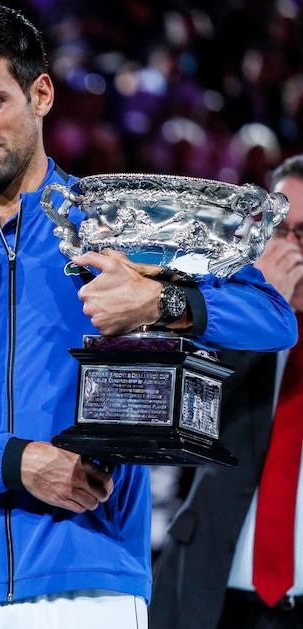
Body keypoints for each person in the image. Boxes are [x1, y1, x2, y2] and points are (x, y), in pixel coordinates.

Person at [0, 6, 298, 629]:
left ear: (41, 93)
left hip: (95, 578)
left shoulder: (116, 222)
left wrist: (161, 301)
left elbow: (272, 316)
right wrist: (17, 463)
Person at [150, 155, 303, 629]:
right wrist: (262, 312)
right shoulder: (220, 313)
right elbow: (179, 421)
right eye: (279, 232)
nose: (292, 250)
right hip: (213, 593)